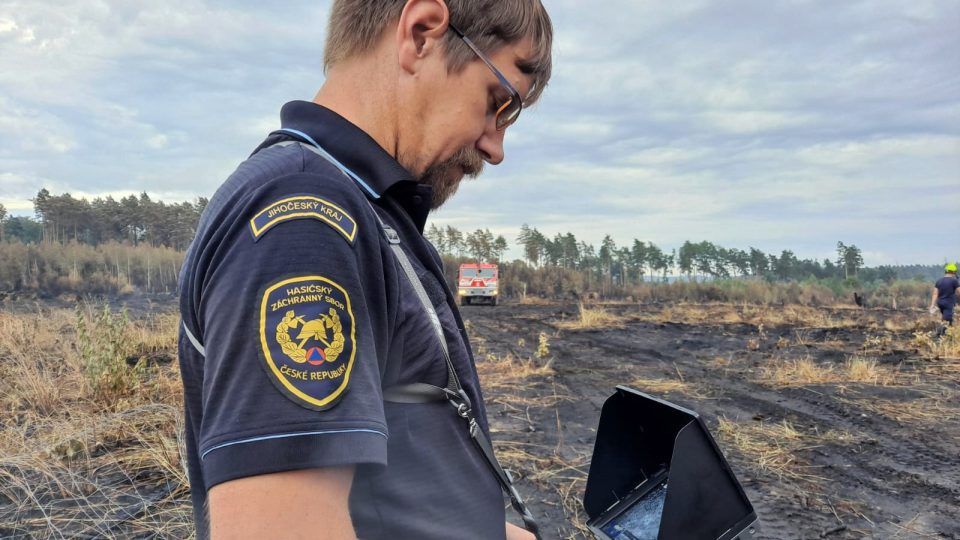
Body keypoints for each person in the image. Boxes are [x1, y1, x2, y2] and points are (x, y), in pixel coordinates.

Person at [176, 1, 553, 539]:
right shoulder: (306, 219)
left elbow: (394, 499)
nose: (495, 146)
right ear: (422, 33)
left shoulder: (367, 214)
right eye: (499, 102)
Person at [930, 263, 959, 337]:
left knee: (946, 318)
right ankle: (940, 335)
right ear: (953, 272)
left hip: (940, 303)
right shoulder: (954, 281)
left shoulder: (939, 281)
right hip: (948, 303)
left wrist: (932, 305)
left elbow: (935, 294)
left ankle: (950, 334)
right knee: (947, 320)